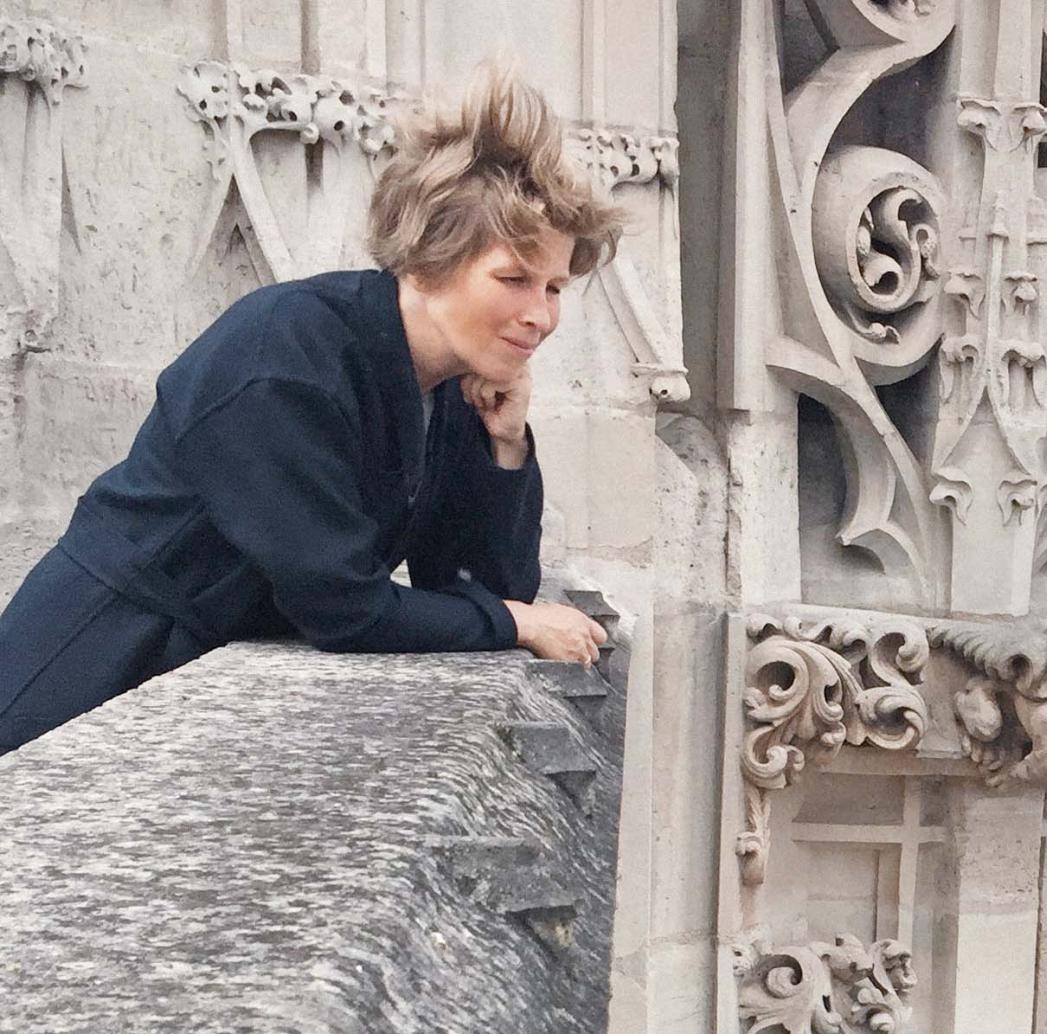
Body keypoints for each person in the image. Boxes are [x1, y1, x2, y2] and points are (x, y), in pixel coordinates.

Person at [0, 66, 625, 756]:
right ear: (429, 258)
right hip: (91, 656)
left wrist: (505, 447)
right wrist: (514, 623)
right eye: (513, 279)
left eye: (554, 288)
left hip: (201, 682)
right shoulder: (287, 356)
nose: (540, 316)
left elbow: (481, 587)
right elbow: (346, 608)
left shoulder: (448, 383)